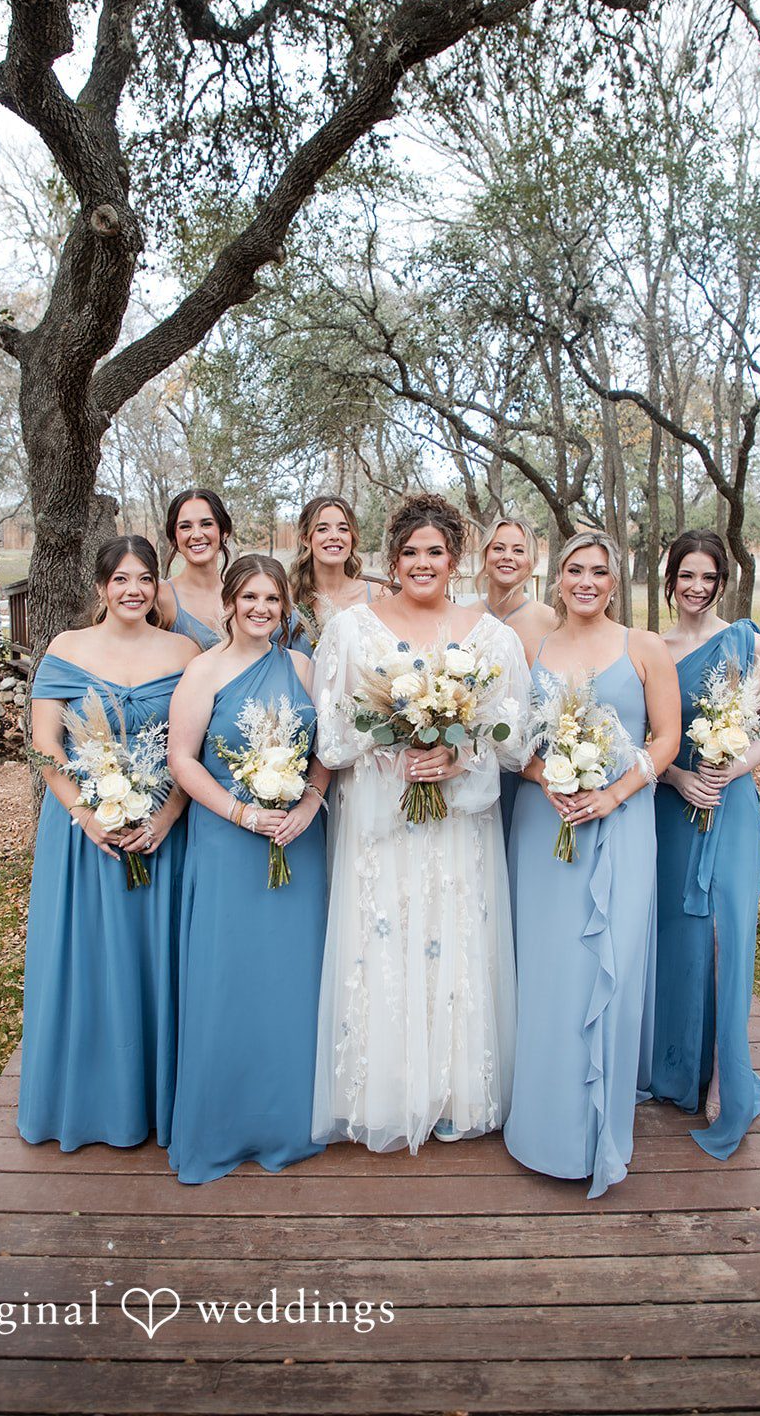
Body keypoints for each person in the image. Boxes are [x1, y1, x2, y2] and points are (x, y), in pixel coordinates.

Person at [311, 492, 531, 1153]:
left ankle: (453, 1091)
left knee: (453, 940)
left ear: (456, 559)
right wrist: (390, 751)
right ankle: (385, 1091)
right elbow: (330, 735)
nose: (421, 563)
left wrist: (456, 753)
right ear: (392, 557)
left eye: (435, 552)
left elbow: (515, 739)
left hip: (456, 828)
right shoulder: (351, 631)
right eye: (409, 552)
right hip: (380, 826)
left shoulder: (490, 637)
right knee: (383, 942)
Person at [503, 531, 681, 1197]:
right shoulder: (531, 650)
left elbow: (665, 738)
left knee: (606, 963)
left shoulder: (644, 647)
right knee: (548, 974)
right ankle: (540, 1126)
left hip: (622, 823)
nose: (585, 581)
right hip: (543, 827)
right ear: (557, 578)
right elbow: (509, 741)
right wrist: (544, 775)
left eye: (597, 572)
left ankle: (595, 1132)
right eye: (574, 569)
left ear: (614, 580)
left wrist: (613, 792)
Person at [18, 536, 198, 1151]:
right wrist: (88, 816)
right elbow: (46, 746)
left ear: (156, 586)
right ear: (100, 587)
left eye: (144, 579)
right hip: (83, 837)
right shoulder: (66, 651)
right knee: (88, 959)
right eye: (120, 579)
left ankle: (156, 1100)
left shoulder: (183, 650)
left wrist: (169, 815)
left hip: (159, 833)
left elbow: (191, 748)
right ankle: (92, 1098)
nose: (132, 591)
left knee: (157, 960)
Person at [167, 554, 330, 1183]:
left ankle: (290, 1120)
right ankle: (225, 1124)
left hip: (297, 837)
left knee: (292, 978)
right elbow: (184, 760)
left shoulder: (303, 667)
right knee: (229, 975)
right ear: (229, 603)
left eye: (273, 599)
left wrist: (311, 801)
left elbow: (327, 750)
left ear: (285, 606)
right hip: (230, 842)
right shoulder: (202, 671)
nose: (262, 609)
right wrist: (240, 814)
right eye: (250, 597)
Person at [650, 529, 760, 1158]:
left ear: (722, 582)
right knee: (679, 933)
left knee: (725, 937)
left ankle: (721, 1081)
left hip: (731, 809)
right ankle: (677, 1068)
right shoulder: (654, 648)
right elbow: (645, 734)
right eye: (687, 575)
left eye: (709, 578)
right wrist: (678, 776)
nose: (697, 588)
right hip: (673, 808)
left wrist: (731, 768)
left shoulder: (745, 641)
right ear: (670, 579)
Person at [466, 516, 557, 844]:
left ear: (531, 561)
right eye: (499, 548)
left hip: (536, 770)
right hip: (472, 766)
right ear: (485, 557)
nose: (508, 556)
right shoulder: (464, 618)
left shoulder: (551, 620)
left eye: (518, 550)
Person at [287, 493, 388, 655]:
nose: (334, 536)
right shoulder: (288, 598)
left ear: (352, 538)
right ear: (306, 539)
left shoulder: (378, 596)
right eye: (322, 529)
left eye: (343, 529)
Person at [156, 487, 234, 650]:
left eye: (206, 524)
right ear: (174, 538)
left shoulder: (242, 592)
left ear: (224, 532)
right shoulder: (162, 597)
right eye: (185, 527)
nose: (197, 534)